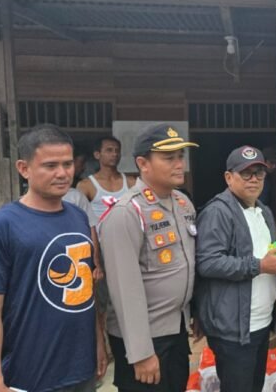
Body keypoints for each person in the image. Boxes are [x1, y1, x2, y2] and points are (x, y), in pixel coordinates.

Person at [0, 124, 106, 392]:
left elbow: (86, 290)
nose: (62, 173)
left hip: (81, 369)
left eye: (67, 164)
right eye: (50, 165)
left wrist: (98, 342)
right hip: (30, 375)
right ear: (24, 168)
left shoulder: (78, 218)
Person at [97, 124, 199, 392]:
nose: (179, 164)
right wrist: (140, 353)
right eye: (169, 158)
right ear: (143, 163)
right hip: (144, 338)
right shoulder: (127, 213)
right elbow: (124, 291)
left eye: (180, 156)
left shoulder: (182, 203)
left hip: (176, 329)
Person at [194, 145, 276, 392]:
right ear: (228, 177)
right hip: (233, 328)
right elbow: (208, 262)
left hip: (260, 322)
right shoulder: (218, 212)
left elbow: (269, 256)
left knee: (254, 386)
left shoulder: (263, 211)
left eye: (259, 173)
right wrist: (260, 265)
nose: (253, 179)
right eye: (245, 173)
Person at [77, 135, 137, 221]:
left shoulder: (131, 182)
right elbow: (78, 216)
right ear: (97, 155)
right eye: (109, 150)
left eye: (117, 151)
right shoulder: (86, 185)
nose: (115, 154)